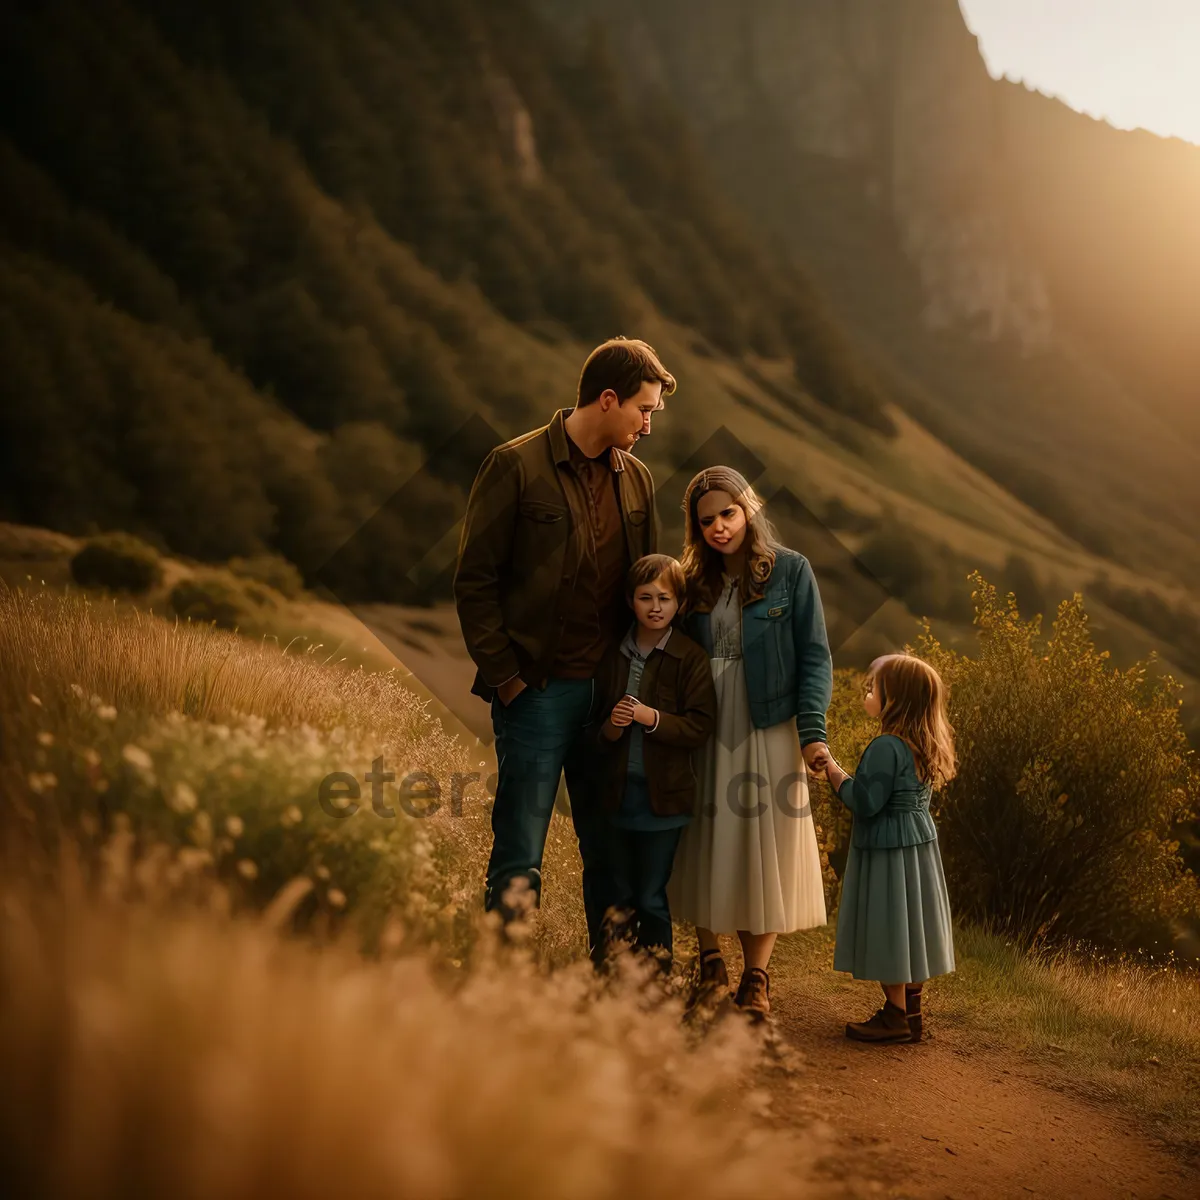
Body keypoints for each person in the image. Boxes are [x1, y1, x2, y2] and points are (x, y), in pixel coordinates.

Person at [453, 337, 675, 965]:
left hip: (611, 697)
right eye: (643, 410)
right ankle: (502, 977)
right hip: (537, 693)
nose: (648, 424)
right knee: (520, 845)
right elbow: (475, 581)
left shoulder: (639, 480)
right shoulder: (514, 465)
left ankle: (617, 982)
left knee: (608, 846)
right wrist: (508, 679)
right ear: (608, 399)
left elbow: (647, 585)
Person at [668, 466, 833, 1019]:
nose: (719, 527)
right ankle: (710, 961)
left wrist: (813, 734)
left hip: (771, 724)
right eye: (707, 520)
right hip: (704, 724)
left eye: (728, 514)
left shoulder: (791, 571)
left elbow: (814, 656)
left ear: (749, 510)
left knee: (766, 849)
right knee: (705, 837)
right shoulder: (690, 580)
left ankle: (757, 978)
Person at [810, 653, 958, 1043]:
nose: (867, 690)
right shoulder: (923, 746)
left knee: (890, 928)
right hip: (919, 849)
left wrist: (832, 771)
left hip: (887, 849)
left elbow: (865, 801)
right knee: (911, 929)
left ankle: (894, 1017)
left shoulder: (886, 747)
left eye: (875, 686)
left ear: (896, 699)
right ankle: (912, 1014)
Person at [591, 554, 717, 971]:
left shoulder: (690, 658)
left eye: (665, 598)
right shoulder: (614, 655)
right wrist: (612, 724)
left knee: (650, 895)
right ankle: (617, 976)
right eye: (645, 597)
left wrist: (652, 718)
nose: (655, 607)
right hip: (618, 797)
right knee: (620, 894)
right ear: (631, 601)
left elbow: (700, 727)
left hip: (665, 802)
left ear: (679, 602)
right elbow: (596, 733)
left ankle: (658, 980)